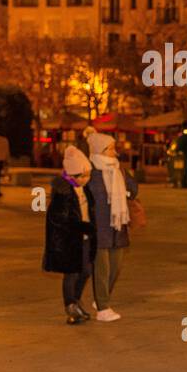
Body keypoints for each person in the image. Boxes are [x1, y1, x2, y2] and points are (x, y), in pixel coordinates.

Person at [83, 130, 139, 322]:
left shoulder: (119, 169)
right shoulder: (89, 171)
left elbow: (133, 188)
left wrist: (126, 194)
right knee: (102, 267)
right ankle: (103, 307)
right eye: (111, 148)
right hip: (98, 226)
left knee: (116, 266)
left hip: (118, 225)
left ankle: (101, 297)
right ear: (100, 150)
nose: (115, 152)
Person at [44, 146, 97, 325]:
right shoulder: (63, 192)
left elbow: (89, 209)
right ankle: (70, 306)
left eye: (88, 175)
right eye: (83, 176)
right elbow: (59, 219)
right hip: (68, 240)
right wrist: (84, 227)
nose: (87, 179)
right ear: (72, 175)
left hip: (84, 237)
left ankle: (76, 300)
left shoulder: (84, 189)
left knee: (86, 270)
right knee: (72, 273)